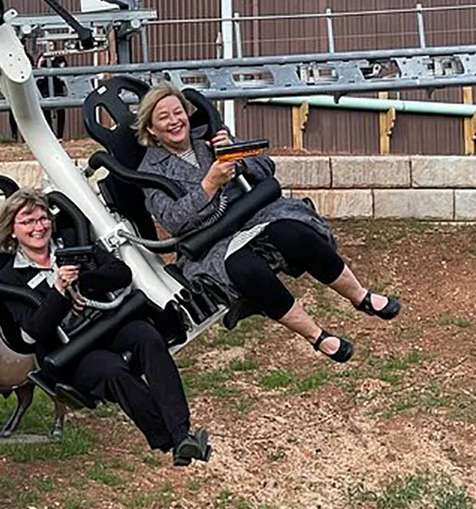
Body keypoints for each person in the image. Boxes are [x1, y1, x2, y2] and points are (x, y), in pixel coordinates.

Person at [134, 82, 401, 363]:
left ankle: (360, 296)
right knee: (244, 268)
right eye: (163, 117)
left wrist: (237, 156)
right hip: (210, 241)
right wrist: (209, 184)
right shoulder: (149, 173)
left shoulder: (210, 138)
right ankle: (317, 336)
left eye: (178, 112)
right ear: (151, 130)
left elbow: (265, 166)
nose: (175, 121)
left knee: (295, 233)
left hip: (254, 213)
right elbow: (174, 220)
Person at [0, 188, 210, 465]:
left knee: (147, 336)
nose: (39, 227)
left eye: (43, 218)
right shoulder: (9, 278)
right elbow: (37, 329)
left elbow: (121, 273)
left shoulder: (72, 243)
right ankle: (171, 439)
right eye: (28, 222)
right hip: (73, 350)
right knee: (112, 370)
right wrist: (59, 291)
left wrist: (85, 281)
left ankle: (181, 435)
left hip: (107, 324)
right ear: (12, 231)